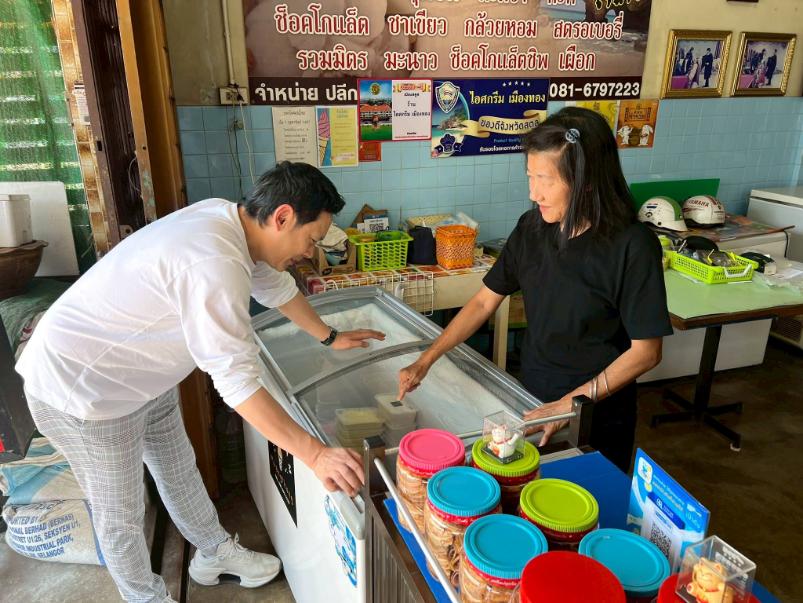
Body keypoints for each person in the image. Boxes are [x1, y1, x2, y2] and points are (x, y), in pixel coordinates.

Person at [15, 162, 384, 602]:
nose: (310, 251)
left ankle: (213, 553)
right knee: (122, 515)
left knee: (178, 469)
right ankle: (146, 598)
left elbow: (277, 288)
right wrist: (316, 455)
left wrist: (329, 336)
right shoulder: (215, 262)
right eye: (312, 239)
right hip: (85, 389)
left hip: (143, 377)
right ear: (283, 217)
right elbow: (239, 387)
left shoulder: (232, 223)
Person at [397, 108, 672, 472]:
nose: (533, 192)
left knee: (591, 496)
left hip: (598, 412)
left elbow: (646, 352)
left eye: (545, 180)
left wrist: (568, 405)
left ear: (587, 180)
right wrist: (427, 359)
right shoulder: (532, 229)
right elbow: (483, 302)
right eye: (530, 176)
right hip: (531, 398)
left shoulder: (632, 246)